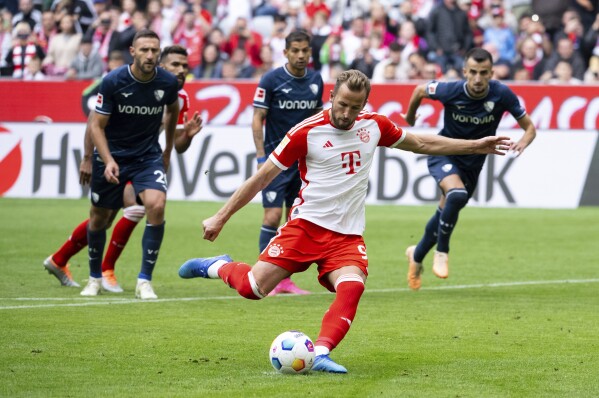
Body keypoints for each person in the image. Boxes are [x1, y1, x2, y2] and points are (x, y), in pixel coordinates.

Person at [178, 69, 513, 373]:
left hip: (347, 235)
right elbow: (261, 177)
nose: (346, 113)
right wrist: (221, 217)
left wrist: (474, 146)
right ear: (331, 97)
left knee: (352, 285)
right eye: (341, 105)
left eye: (355, 107)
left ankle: (320, 353)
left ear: (364, 105)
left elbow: (421, 141)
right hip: (306, 226)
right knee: (253, 288)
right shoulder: (305, 132)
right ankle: (218, 266)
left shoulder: (374, 125)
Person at [43, 44, 203, 294]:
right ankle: (98, 269)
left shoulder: (178, 97)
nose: (181, 71)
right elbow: (93, 123)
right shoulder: (123, 83)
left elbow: (178, 145)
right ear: (160, 66)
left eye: (185, 66)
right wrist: (87, 158)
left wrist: (188, 136)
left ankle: (66, 261)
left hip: (143, 159)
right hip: (113, 155)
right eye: (175, 65)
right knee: (109, 216)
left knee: (136, 208)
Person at [401, 48, 536, 291]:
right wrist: (410, 117)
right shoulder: (451, 90)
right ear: (465, 72)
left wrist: (522, 142)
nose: (477, 78)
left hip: (473, 164)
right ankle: (442, 251)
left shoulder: (501, 94)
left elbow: (529, 128)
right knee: (456, 195)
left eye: (483, 73)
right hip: (445, 152)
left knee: (446, 210)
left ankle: (416, 255)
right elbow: (420, 90)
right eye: (472, 72)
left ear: (491, 73)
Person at [251, 30, 324, 296]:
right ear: (286, 52)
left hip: (304, 163)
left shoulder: (316, 80)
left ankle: (283, 281)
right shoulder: (271, 80)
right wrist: (261, 158)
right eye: (296, 50)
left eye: (305, 50)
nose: (301, 55)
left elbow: (317, 118)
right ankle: (260, 279)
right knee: (271, 215)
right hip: (275, 161)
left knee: (295, 220)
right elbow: (258, 118)